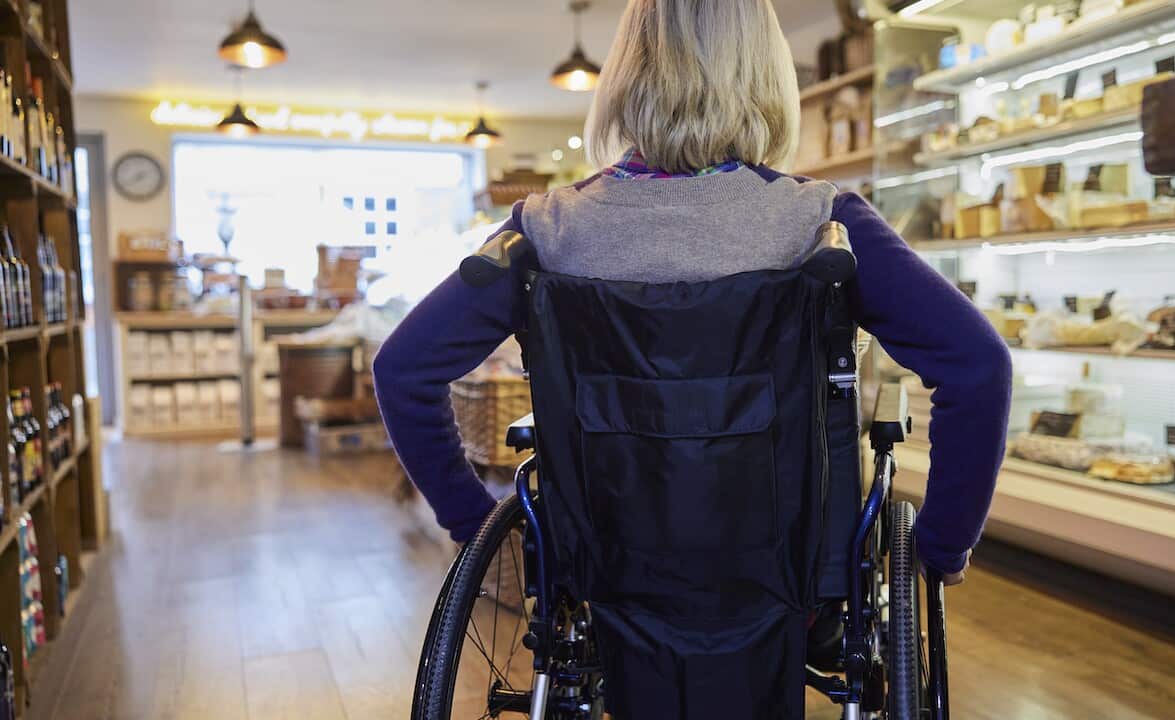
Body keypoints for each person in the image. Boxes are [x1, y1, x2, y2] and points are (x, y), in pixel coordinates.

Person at [372, 0, 1012, 586]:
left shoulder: (544, 229)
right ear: (765, 75)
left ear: (624, 76)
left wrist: (473, 522)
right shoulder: (825, 223)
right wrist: (939, 549)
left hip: (603, 560)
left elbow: (403, 370)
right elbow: (978, 367)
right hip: (789, 564)